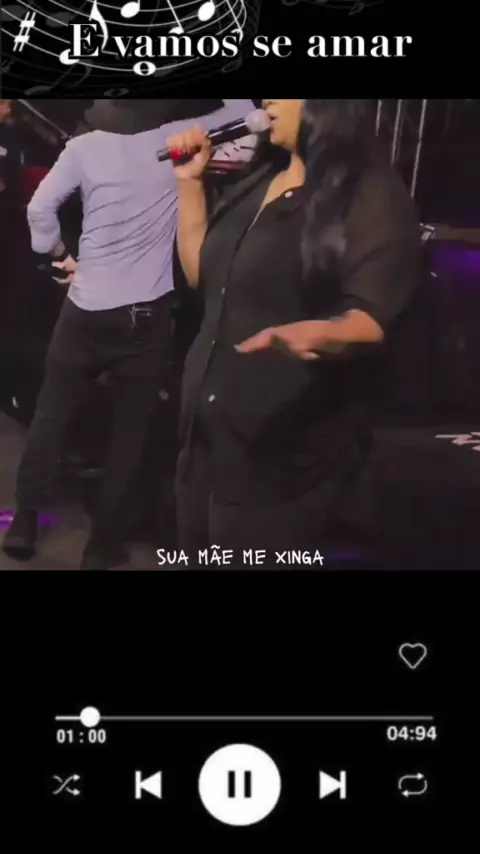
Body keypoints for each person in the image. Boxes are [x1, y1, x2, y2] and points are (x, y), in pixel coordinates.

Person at [2, 98, 254, 570]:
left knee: (52, 417)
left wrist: (59, 255)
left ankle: (24, 525)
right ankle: (103, 546)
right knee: (129, 434)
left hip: (85, 307)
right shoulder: (174, 140)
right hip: (146, 314)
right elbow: (246, 115)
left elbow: (39, 209)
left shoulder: (85, 147)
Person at [167, 99, 421, 565]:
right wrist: (189, 184)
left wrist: (320, 334)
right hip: (206, 439)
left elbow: (372, 316)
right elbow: (205, 278)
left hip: (282, 456)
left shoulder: (368, 193)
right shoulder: (259, 180)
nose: (265, 101)